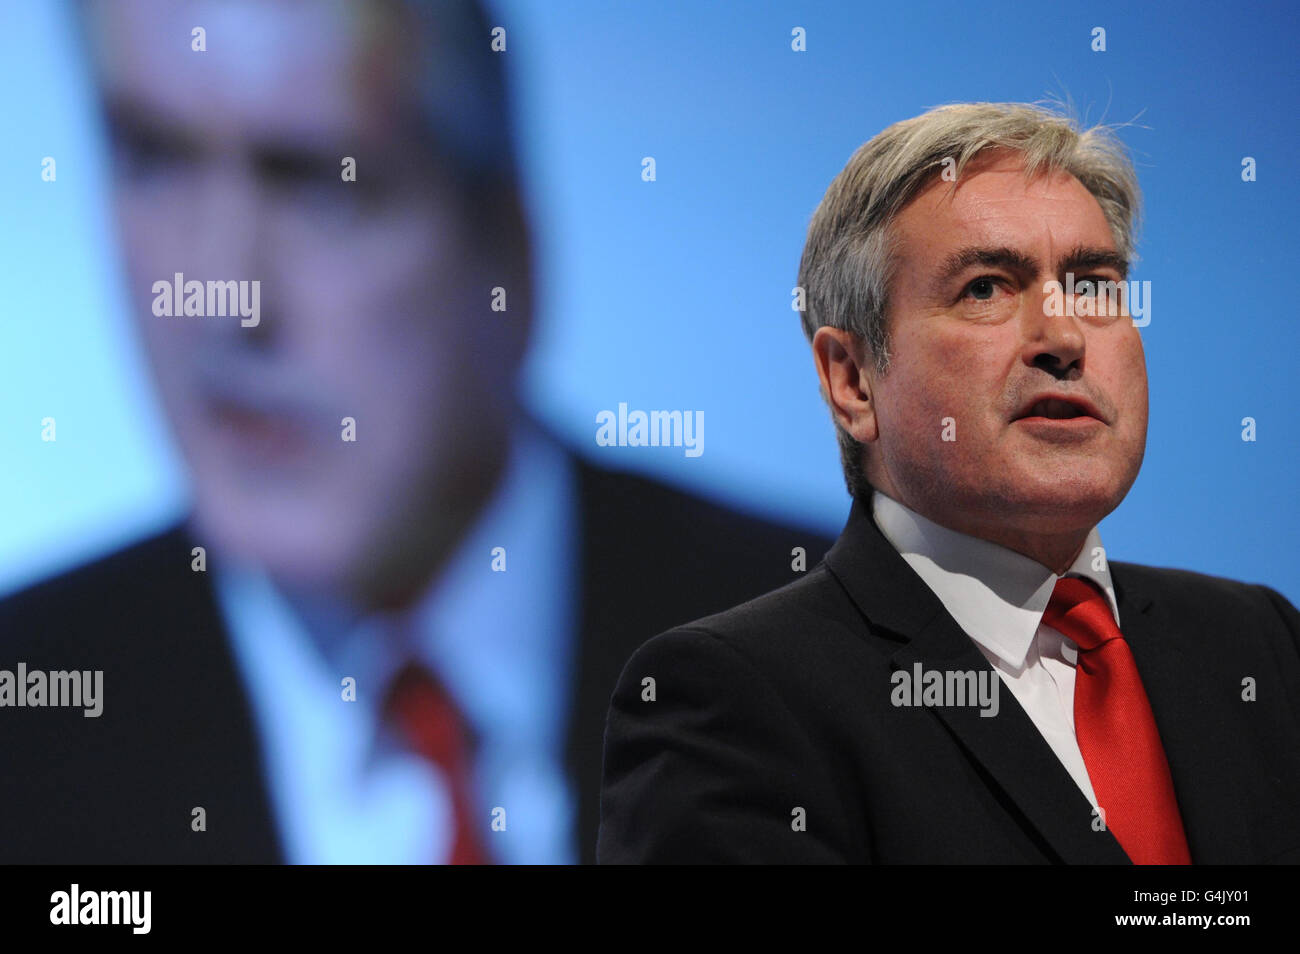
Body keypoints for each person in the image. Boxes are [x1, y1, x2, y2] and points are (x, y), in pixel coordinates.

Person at [0, 0, 830, 864]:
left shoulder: (848, 673)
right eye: (155, 159)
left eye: (323, 182)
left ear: (508, 251)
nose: (223, 293)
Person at [598, 102, 1300, 864]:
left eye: (1094, 284)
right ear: (853, 380)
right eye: (987, 288)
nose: (1064, 338)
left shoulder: (1258, 647)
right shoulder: (735, 700)